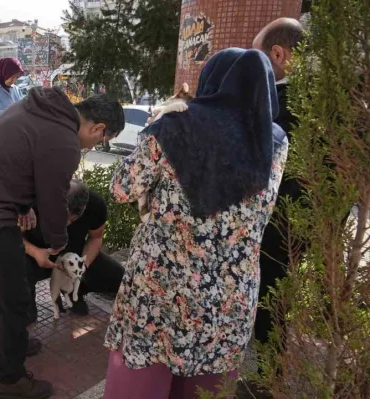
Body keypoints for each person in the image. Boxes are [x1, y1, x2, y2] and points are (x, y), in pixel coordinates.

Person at [102, 48, 289, 399]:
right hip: (228, 301)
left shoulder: (174, 126)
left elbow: (122, 189)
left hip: (160, 291)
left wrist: (157, 123)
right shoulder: (275, 141)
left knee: (139, 387)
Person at [0, 88, 124, 398]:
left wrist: (24, 205)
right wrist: (57, 244)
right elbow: (55, 201)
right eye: (101, 141)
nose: (96, 145)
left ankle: (9, 346)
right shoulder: (65, 140)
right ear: (98, 128)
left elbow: (18, 163)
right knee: (12, 300)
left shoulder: (36, 109)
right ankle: (10, 380)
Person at [252, 17, 305, 350]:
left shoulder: (282, 105)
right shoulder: (322, 99)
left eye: (257, 59)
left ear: (278, 55)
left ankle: (267, 378)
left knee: (270, 295)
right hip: (305, 224)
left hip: (279, 224)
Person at [23, 179, 124, 320]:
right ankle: (26, 302)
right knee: (25, 314)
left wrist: (82, 267)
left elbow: (96, 238)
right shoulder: (32, 201)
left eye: (72, 220)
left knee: (119, 278)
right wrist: (35, 252)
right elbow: (12, 235)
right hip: (36, 256)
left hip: (74, 257)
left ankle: (74, 291)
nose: (65, 225)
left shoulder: (95, 204)